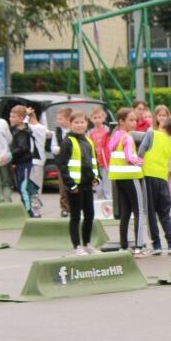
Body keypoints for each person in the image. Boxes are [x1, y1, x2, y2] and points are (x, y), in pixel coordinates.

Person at [56, 111, 98, 255]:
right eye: (76, 122)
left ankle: (87, 244)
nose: (80, 125)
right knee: (75, 216)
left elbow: (93, 161)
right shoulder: (68, 141)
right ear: (71, 124)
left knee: (90, 215)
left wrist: (96, 177)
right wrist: (70, 184)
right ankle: (77, 246)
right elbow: (62, 165)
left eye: (82, 122)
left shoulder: (88, 141)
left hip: (87, 184)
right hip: (74, 186)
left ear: (87, 123)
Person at [108, 108, 147, 257]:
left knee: (124, 213)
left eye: (135, 120)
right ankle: (138, 247)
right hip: (132, 177)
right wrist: (141, 161)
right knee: (138, 212)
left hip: (118, 178)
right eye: (131, 120)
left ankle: (123, 246)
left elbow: (110, 150)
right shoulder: (128, 137)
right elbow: (129, 157)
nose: (134, 123)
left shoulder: (115, 136)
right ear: (121, 121)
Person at [142, 116, 171, 255]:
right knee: (164, 213)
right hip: (163, 179)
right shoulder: (169, 143)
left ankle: (156, 245)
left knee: (151, 212)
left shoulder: (151, 133)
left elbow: (142, 149)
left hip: (148, 176)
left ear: (162, 124)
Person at [8, 105, 37, 217]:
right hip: (19, 164)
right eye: (10, 116)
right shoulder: (17, 129)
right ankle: (27, 210)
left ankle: (29, 213)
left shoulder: (23, 131)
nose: (10, 119)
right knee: (21, 188)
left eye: (13, 117)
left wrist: (10, 155)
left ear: (20, 118)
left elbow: (23, 147)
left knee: (24, 188)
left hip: (25, 164)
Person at [50, 107, 73, 217]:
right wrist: (61, 149)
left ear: (68, 119)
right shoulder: (57, 132)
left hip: (73, 163)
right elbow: (53, 147)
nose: (58, 121)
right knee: (63, 187)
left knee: (73, 185)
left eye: (60, 119)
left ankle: (75, 206)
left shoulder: (74, 131)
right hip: (61, 164)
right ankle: (64, 207)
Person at [25, 107, 47, 217]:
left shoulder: (39, 128)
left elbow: (23, 126)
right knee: (30, 186)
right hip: (32, 161)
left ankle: (36, 211)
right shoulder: (40, 128)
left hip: (36, 161)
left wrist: (26, 115)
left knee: (34, 186)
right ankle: (33, 209)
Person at [88, 106, 111, 201]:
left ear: (104, 118)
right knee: (98, 185)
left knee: (107, 184)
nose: (97, 120)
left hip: (106, 162)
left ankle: (109, 203)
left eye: (99, 117)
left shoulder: (107, 130)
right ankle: (100, 203)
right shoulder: (90, 132)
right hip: (96, 163)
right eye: (95, 118)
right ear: (91, 119)